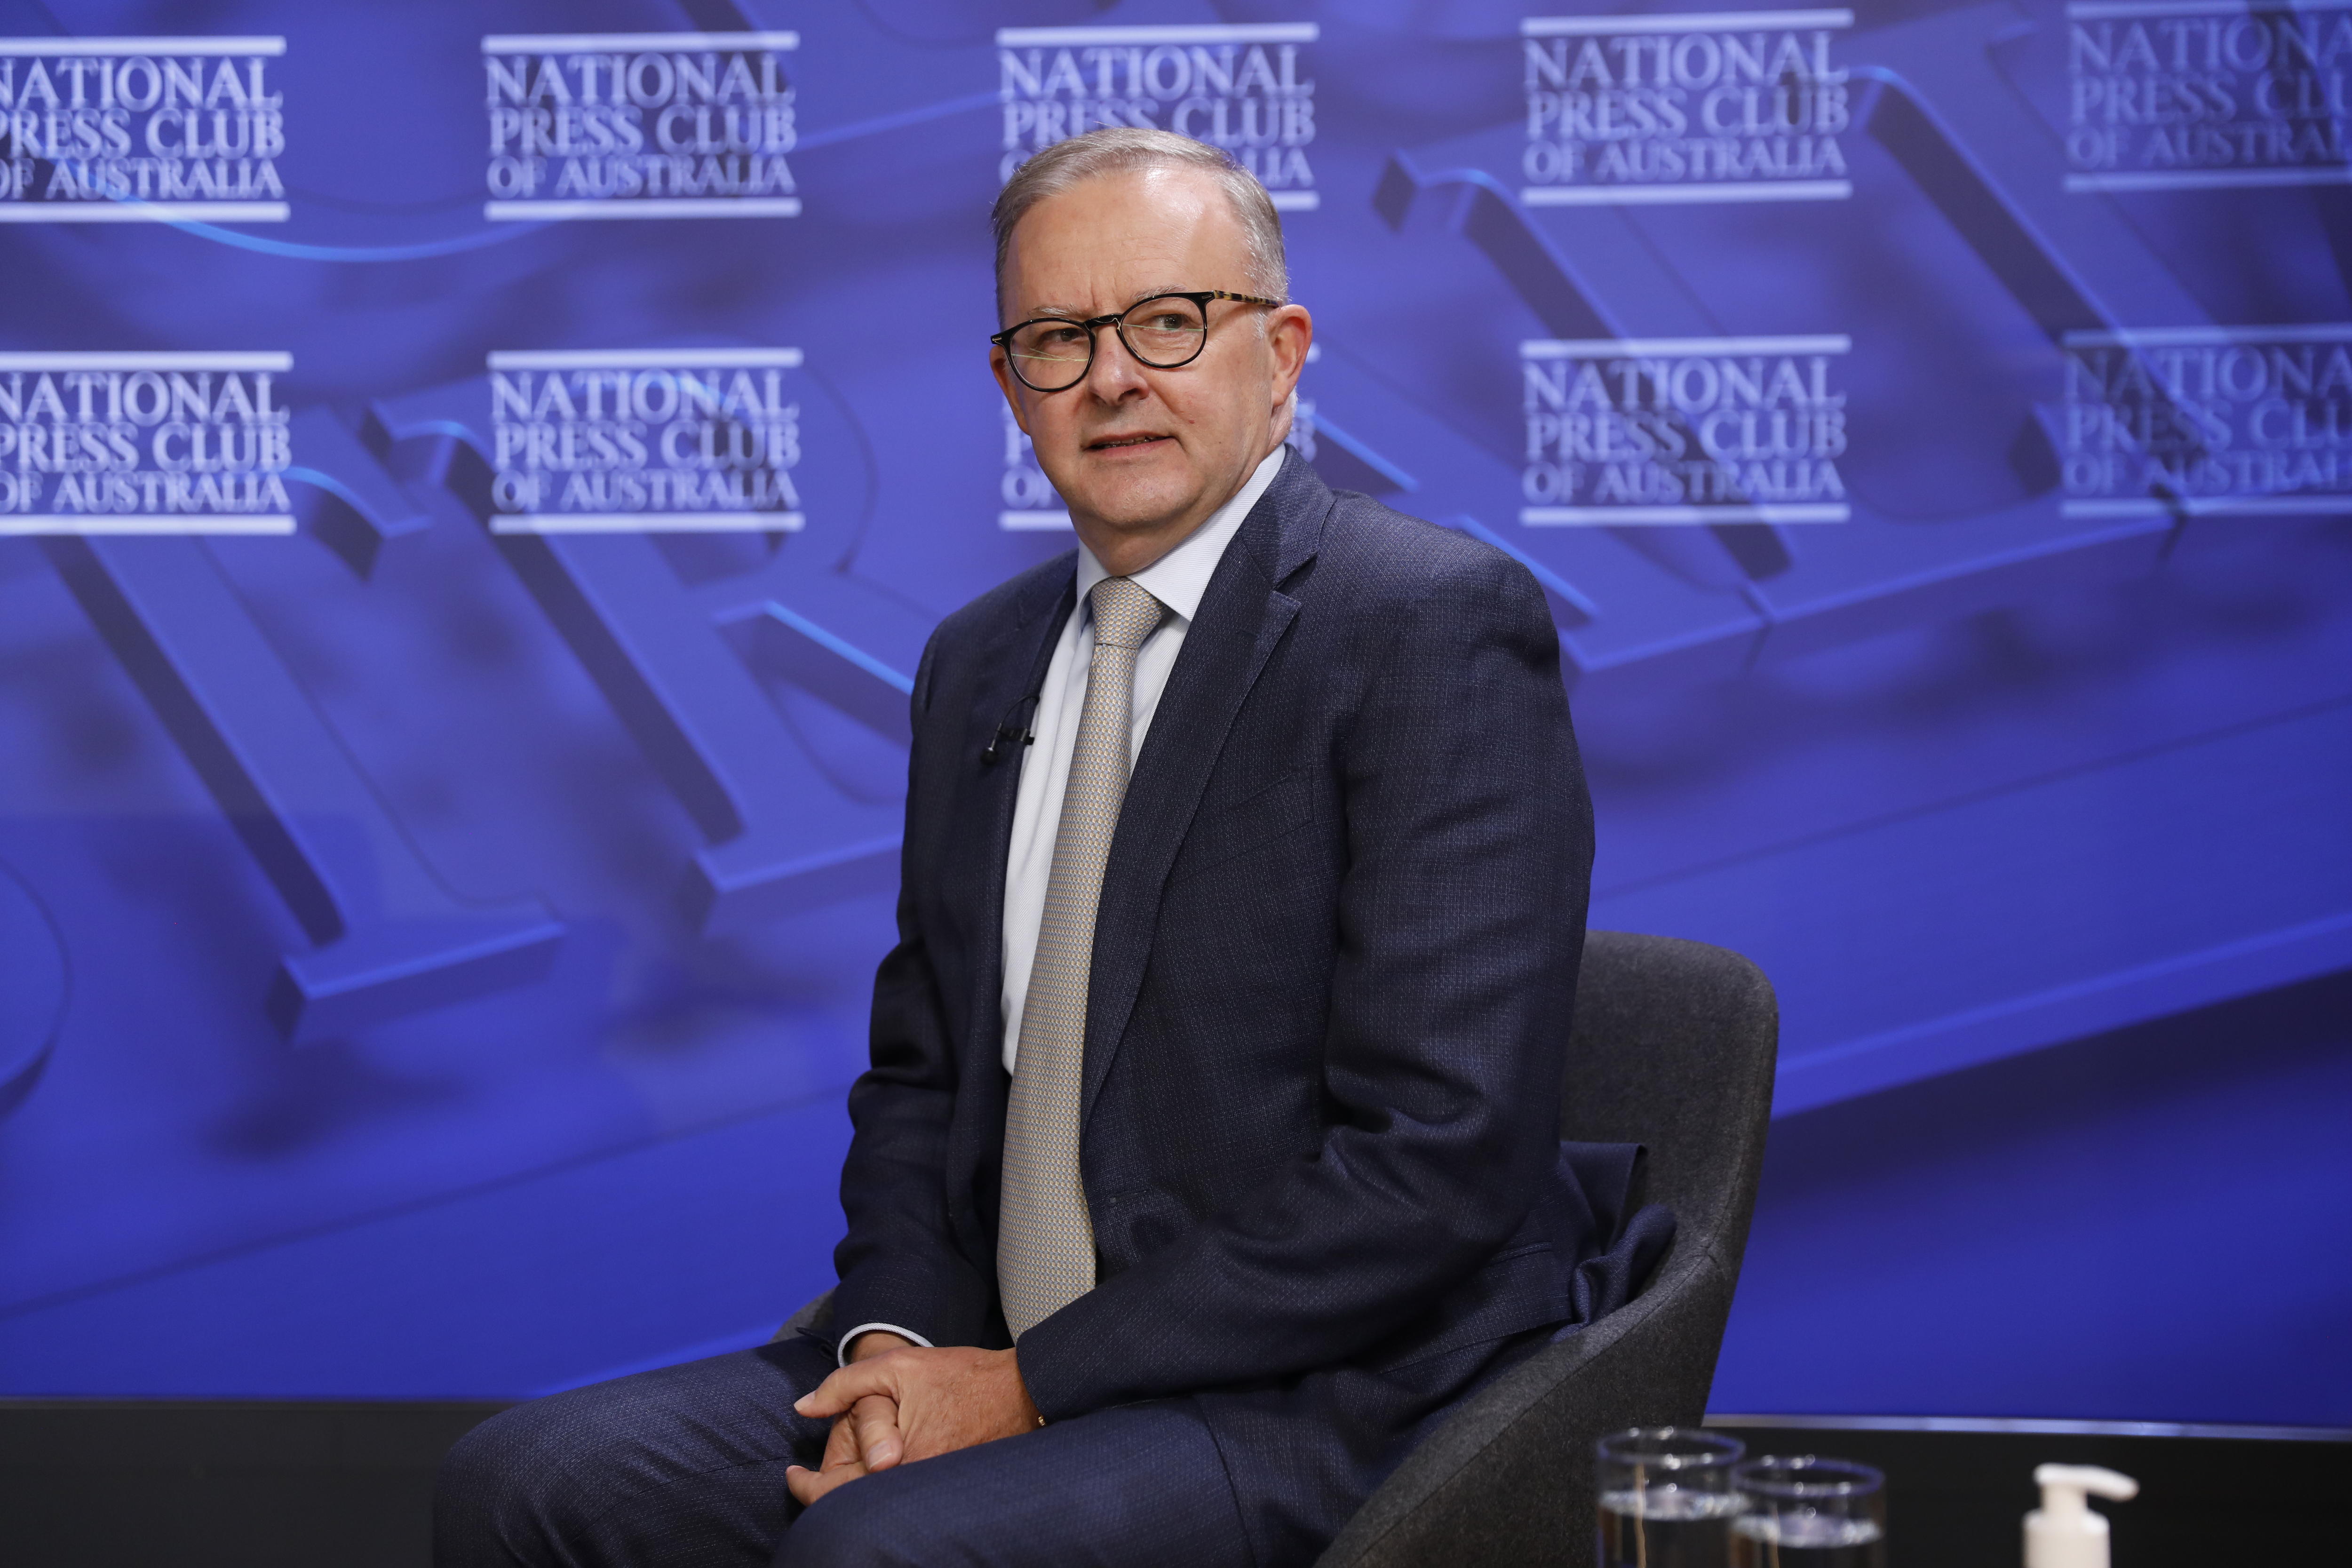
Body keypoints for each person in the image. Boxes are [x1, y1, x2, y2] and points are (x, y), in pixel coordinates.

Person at [436, 126, 1664, 1568]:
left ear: (1282, 350)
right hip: (992, 1344)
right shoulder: (981, 661)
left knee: (877, 1553)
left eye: (1169, 320)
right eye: (1059, 338)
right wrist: (898, 1351)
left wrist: (1023, 1393)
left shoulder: (1427, 626)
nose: (1116, 377)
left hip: (1321, 1393)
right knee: (529, 1481)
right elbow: (923, 1081)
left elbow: (1437, 1163)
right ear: (1011, 386)